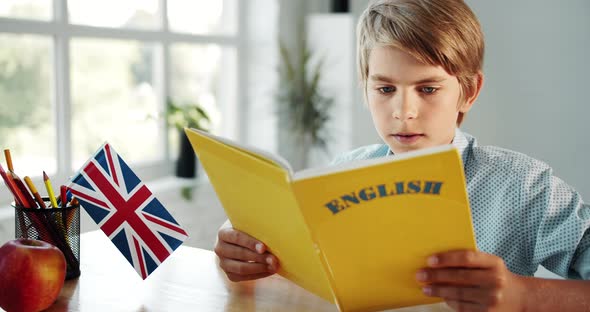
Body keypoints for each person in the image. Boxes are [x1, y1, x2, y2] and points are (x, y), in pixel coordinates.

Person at [214, 0, 590, 310]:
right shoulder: (344, 172)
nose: (403, 111)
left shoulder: (524, 186)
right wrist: (242, 248)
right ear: (365, 89)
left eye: (427, 89)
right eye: (385, 89)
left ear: (469, 92)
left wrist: (524, 296)